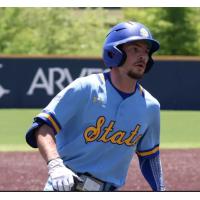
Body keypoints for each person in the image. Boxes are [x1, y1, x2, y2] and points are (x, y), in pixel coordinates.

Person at [25, 21, 165, 191]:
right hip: (66, 187)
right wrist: (55, 165)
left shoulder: (150, 106)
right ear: (115, 53)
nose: (143, 56)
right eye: (135, 49)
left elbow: (149, 157)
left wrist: (161, 191)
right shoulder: (86, 88)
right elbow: (43, 127)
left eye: (146, 52)